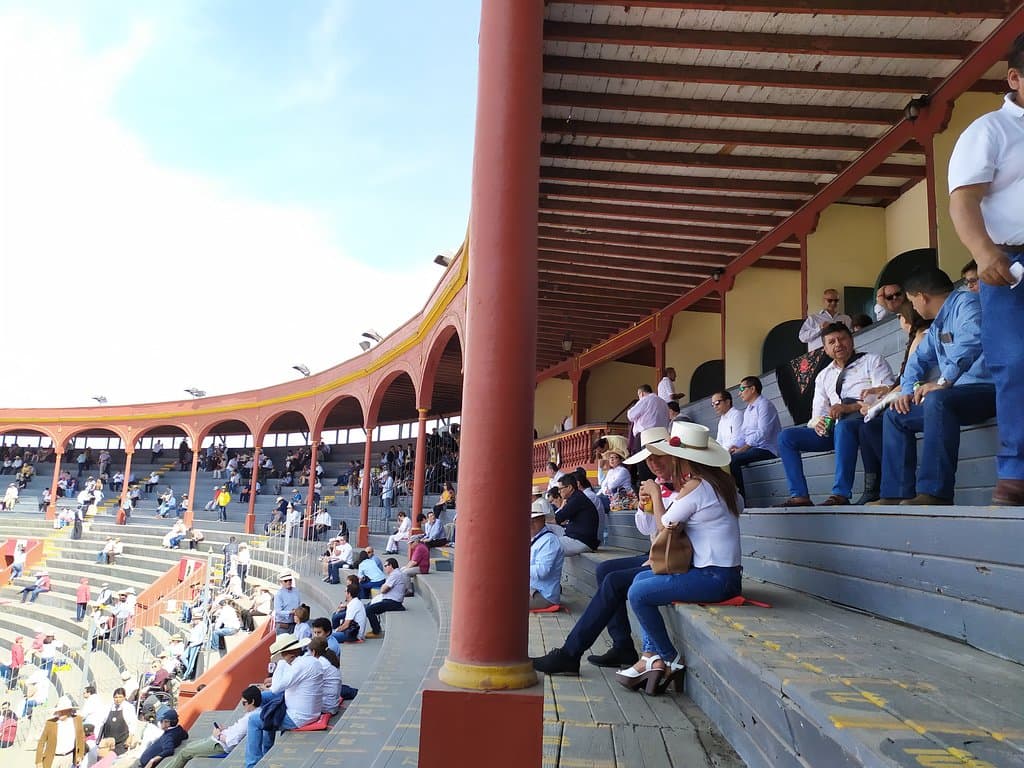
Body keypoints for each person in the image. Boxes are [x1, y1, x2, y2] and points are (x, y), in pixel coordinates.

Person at [948, 33, 1024, 505]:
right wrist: (984, 252)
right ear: (1015, 78)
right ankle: (1016, 475)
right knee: (1015, 363)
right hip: (1009, 263)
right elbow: (963, 200)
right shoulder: (990, 130)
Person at [533, 427, 672, 676]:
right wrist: (645, 507)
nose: (653, 464)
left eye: (658, 457)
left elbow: (669, 530)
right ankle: (622, 646)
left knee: (613, 581)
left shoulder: (691, 486)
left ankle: (570, 653)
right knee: (605, 569)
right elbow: (647, 528)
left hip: (674, 557)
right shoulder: (661, 485)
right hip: (660, 551)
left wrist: (657, 501)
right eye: (649, 458)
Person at [616, 421, 742, 695]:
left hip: (714, 578)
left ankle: (668, 657)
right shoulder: (720, 482)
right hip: (723, 575)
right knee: (641, 578)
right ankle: (651, 656)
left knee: (638, 593)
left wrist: (652, 493)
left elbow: (665, 525)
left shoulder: (697, 486)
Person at [876, 267, 995, 505]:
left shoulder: (967, 304)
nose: (914, 307)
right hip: (955, 396)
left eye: (911, 300)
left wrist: (942, 382)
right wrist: (907, 392)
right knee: (896, 415)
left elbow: (972, 341)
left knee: (937, 399)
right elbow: (917, 361)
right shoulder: (938, 323)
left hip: (987, 390)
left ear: (922, 296)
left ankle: (935, 493)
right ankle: (895, 493)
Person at [774, 322, 895, 507]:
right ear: (825, 349)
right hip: (836, 427)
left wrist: (850, 407)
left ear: (851, 340)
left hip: (864, 422)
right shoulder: (823, 375)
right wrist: (818, 423)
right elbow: (817, 413)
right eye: (831, 341)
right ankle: (800, 495)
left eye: (842, 338)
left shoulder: (872, 360)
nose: (838, 344)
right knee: (786, 437)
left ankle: (840, 494)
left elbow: (886, 396)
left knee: (845, 426)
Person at [244, 634, 323, 768]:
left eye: (282, 656)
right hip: (310, 711)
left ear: (288, 654)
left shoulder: (299, 666)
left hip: (298, 717)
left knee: (253, 720)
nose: (281, 659)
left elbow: (275, 688)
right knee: (267, 709)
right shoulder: (310, 661)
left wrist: (280, 664)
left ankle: (252, 764)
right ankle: (266, 752)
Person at [159, 686, 261, 768]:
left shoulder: (250, 718)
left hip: (220, 745)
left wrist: (219, 735)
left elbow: (232, 740)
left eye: (244, 703)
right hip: (219, 739)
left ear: (252, 701)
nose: (243, 705)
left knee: (184, 753)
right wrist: (224, 730)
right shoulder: (254, 713)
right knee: (189, 746)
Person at [727, 376, 782, 499]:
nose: (739, 392)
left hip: (767, 449)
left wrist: (744, 448)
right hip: (754, 448)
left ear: (752, 389)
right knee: (728, 458)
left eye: (742, 388)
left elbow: (764, 433)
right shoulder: (748, 410)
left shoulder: (764, 405)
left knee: (734, 460)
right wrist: (735, 446)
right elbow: (743, 434)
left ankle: (741, 500)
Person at [553, 473, 599, 555]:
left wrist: (540, 519)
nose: (559, 492)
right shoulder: (575, 497)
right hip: (576, 537)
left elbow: (558, 518)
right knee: (546, 542)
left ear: (570, 487)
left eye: (560, 489)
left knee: (548, 545)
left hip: (582, 541)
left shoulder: (577, 499)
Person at [529, 502, 564, 611]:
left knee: (503, 602)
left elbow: (542, 572)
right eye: (529, 521)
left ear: (543, 520)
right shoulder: (536, 537)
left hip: (543, 595)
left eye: (534, 521)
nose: (531, 524)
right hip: (533, 589)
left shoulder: (549, 541)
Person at [35, 696, 86, 768]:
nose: (60, 712)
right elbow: (41, 742)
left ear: (69, 710)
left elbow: (81, 738)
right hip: (53, 758)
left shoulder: (77, 720)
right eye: (59, 710)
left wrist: (80, 755)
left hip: (68, 757)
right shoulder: (50, 723)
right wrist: (38, 761)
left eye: (63, 710)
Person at [364, 559, 410, 637]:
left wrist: (383, 588)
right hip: (393, 600)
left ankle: (376, 632)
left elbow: (383, 590)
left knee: (369, 609)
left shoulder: (395, 575)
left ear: (391, 566)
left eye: (385, 566)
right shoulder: (399, 573)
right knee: (368, 606)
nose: (384, 568)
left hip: (393, 602)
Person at [98, 688, 137, 755]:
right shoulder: (109, 707)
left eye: (120, 697)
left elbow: (132, 724)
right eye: (116, 697)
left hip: (121, 741)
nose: (118, 699)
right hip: (108, 741)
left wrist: (130, 737)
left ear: (124, 697)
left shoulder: (128, 708)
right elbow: (102, 723)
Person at [307, 638, 342, 715]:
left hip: (327, 707)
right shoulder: (328, 658)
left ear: (313, 652)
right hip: (333, 704)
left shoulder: (320, 663)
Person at [273, 571, 300, 635]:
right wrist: (291, 612)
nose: (288, 582)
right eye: (286, 581)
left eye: (290, 580)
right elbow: (278, 611)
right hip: (283, 626)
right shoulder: (279, 594)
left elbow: (299, 603)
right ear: (281, 582)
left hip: (295, 624)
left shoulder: (296, 591)